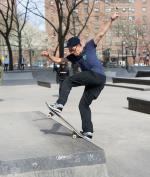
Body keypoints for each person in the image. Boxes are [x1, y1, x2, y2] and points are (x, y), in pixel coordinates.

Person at [41, 12, 119, 140]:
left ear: (79, 45)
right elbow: (60, 60)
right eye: (70, 50)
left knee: (68, 81)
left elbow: (100, 34)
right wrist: (49, 56)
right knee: (83, 105)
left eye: (73, 49)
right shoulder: (72, 56)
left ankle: (59, 105)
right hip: (96, 82)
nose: (72, 52)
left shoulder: (89, 46)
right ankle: (88, 132)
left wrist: (111, 20)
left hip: (97, 75)